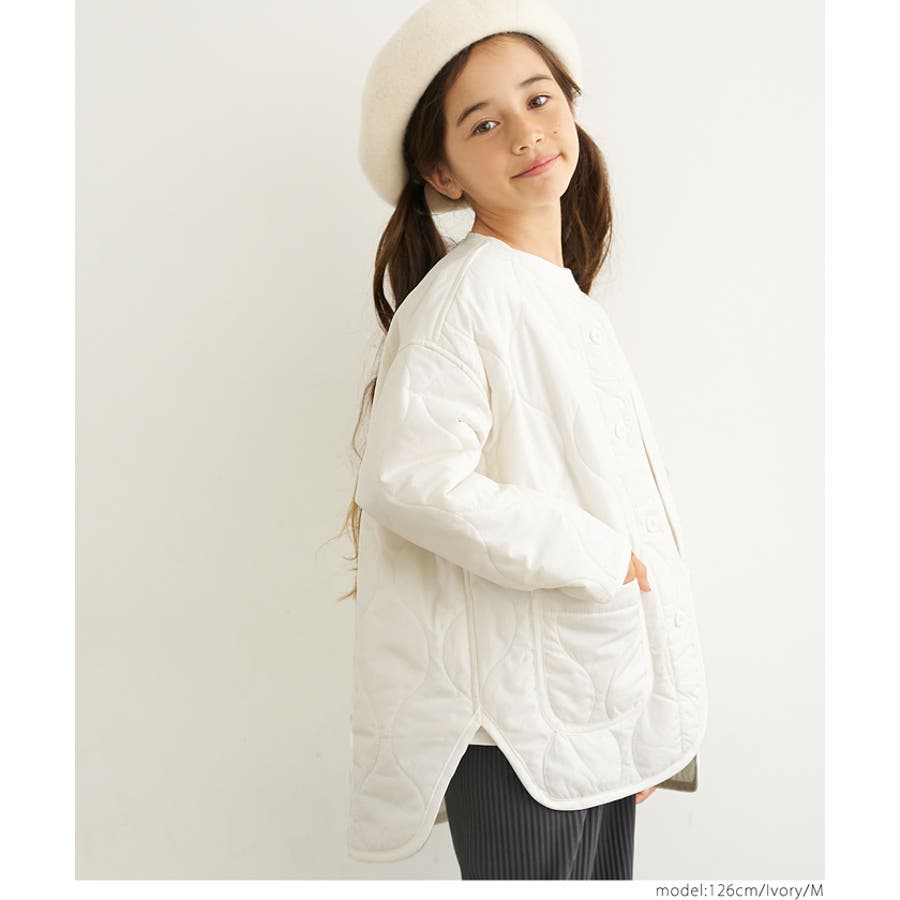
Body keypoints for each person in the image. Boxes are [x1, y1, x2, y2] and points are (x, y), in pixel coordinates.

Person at [337, 0, 708, 879]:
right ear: (442, 171)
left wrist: (635, 713)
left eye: (539, 99)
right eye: (484, 122)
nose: (526, 132)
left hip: (579, 701)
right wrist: (600, 558)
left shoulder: (559, 298)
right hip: (512, 732)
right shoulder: (470, 297)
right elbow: (409, 480)